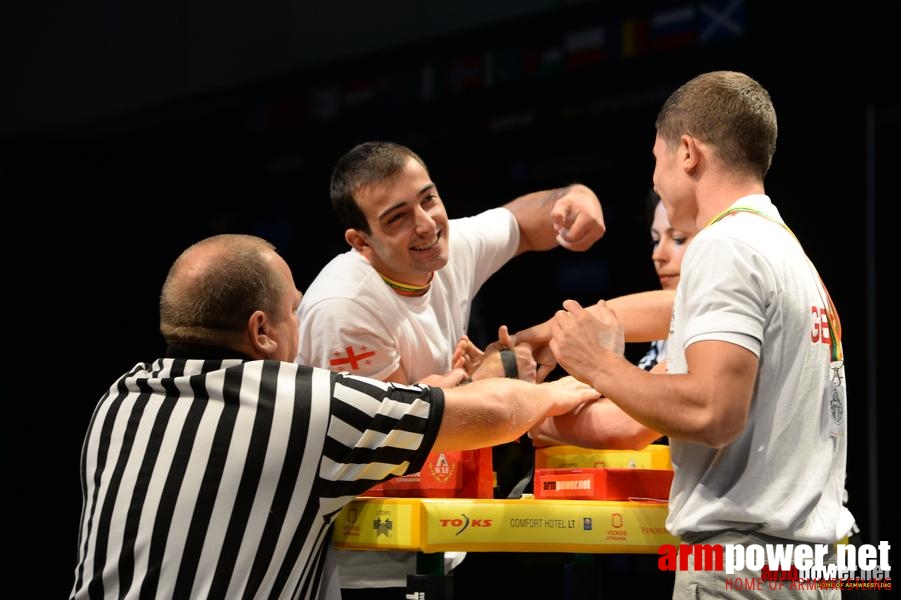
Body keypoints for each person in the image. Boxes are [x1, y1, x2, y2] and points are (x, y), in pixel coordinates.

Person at [69, 233, 601, 600]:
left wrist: (418, 395)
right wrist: (578, 383)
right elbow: (497, 412)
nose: (301, 323)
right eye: (294, 311)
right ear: (261, 331)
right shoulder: (302, 406)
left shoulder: (119, 401)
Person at [545, 71, 854, 599]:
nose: (656, 179)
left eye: (655, 160)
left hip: (742, 567)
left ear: (686, 152)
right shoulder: (789, 253)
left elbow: (712, 413)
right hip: (806, 565)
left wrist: (595, 365)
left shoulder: (723, 245)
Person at [296, 141, 607, 597]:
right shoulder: (343, 308)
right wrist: (484, 384)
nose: (426, 225)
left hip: (436, 540)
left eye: (428, 198)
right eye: (397, 217)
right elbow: (388, 446)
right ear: (361, 242)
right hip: (358, 564)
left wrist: (575, 198)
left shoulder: (446, 243)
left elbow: (522, 222)